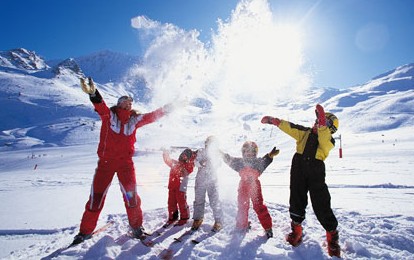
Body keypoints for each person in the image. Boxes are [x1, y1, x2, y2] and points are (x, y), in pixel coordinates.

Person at [73, 77, 173, 244]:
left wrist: (169, 108)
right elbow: (101, 106)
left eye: (130, 102)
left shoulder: (134, 120)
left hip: (126, 165)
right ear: (119, 104)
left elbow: (151, 116)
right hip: (105, 165)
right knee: (96, 199)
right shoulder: (110, 116)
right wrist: (93, 93)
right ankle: (84, 232)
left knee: (131, 198)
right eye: (125, 101)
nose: (129, 104)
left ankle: (136, 227)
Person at [261, 104, 341, 257]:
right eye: (318, 120)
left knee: (321, 203)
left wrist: (323, 125)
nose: (319, 123)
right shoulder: (305, 132)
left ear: (331, 129)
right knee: (296, 199)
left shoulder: (329, 141)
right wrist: (274, 121)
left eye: (325, 122)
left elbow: (323, 138)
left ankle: (332, 237)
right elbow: (290, 127)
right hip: (298, 167)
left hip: (316, 170)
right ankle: (296, 230)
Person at [222, 141, 279, 239]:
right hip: (243, 185)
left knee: (259, 206)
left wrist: (270, 156)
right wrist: (222, 155)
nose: (249, 153)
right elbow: (230, 160)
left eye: (252, 152)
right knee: (242, 205)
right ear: (243, 153)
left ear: (255, 153)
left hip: (254, 186)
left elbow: (266, 160)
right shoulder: (240, 162)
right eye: (246, 151)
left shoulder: (258, 162)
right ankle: (241, 225)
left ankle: (268, 227)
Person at [191, 136, 224, 232]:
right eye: (208, 143)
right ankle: (198, 218)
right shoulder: (201, 151)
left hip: (212, 180)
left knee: (214, 200)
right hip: (200, 180)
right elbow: (195, 162)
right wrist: (201, 163)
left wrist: (213, 162)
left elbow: (219, 164)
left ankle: (219, 220)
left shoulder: (216, 153)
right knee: (198, 200)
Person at [162, 148, 197, 227]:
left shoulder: (188, 165)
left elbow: (189, 169)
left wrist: (192, 157)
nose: (183, 157)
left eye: (185, 156)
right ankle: (173, 217)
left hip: (181, 187)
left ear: (188, 157)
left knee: (181, 202)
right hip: (172, 186)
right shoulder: (175, 163)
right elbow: (167, 160)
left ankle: (184, 218)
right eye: (182, 155)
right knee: (171, 203)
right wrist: (165, 153)